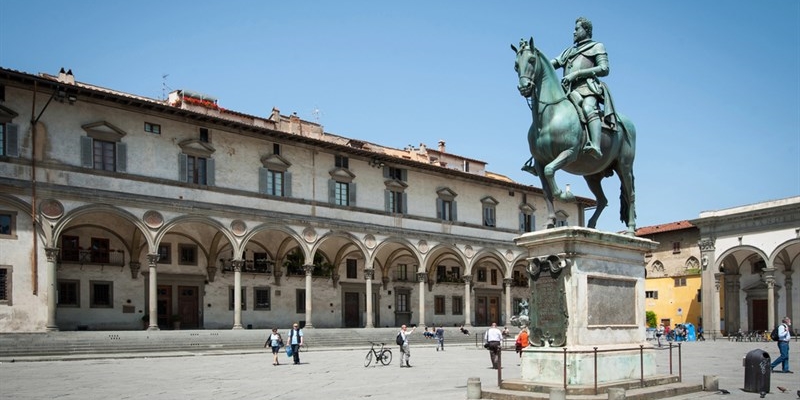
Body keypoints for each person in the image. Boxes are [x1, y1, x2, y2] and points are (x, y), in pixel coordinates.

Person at [550, 16, 615, 159]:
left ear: (586, 30)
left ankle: (595, 146)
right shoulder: (569, 51)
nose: (573, 32)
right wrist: (536, 60)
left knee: (587, 108)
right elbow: (552, 64)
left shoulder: (597, 47)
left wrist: (578, 74)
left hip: (587, 89)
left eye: (577, 29)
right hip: (567, 91)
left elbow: (604, 69)